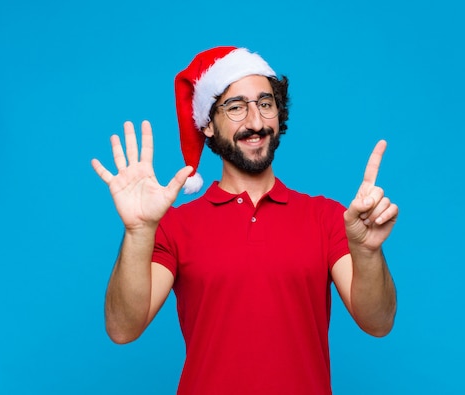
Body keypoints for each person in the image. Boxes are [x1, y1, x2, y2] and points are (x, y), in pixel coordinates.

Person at [91, 46, 398, 394]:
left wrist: (368, 252)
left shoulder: (327, 218)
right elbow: (122, 328)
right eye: (236, 107)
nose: (255, 122)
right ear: (207, 124)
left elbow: (378, 322)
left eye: (265, 104)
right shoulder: (175, 227)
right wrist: (138, 231)